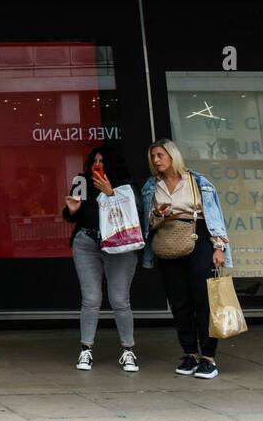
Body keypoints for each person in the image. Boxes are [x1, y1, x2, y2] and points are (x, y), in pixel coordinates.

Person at [140, 138, 233, 380]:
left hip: (198, 239)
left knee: (204, 300)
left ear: (172, 156)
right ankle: (190, 352)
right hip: (167, 244)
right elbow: (146, 225)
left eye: (160, 155)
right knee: (179, 302)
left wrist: (219, 247)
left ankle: (209, 358)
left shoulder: (198, 182)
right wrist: (158, 215)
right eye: (153, 157)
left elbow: (214, 217)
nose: (156, 160)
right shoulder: (152, 186)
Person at [63, 142, 140, 373]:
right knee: (91, 299)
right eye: (94, 161)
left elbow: (133, 214)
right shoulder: (82, 182)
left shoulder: (126, 186)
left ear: (112, 164)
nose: (97, 165)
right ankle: (86, 348)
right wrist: (72, 210)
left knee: (119, 300)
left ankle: (128, 350)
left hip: (119, 245)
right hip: (87, 242)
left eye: (102, 161)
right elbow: (70, 216)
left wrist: (110, 194)